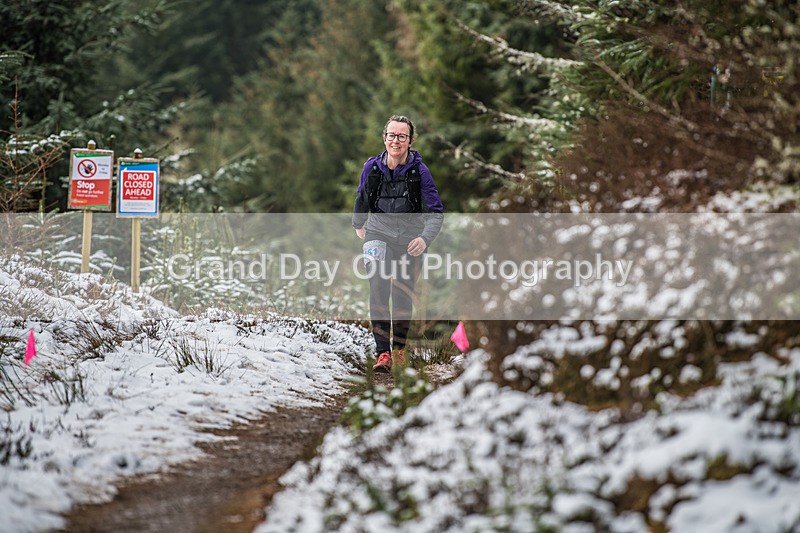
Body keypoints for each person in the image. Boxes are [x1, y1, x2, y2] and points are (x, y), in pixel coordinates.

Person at [352, 115, 444, 372]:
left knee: (402, 292)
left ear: (410, 141)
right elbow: (362, 196)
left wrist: (424, 239)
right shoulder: (371, 167)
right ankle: (382, 354)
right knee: (379, 288)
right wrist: (359, 224)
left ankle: (400, 351)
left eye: (402, 136)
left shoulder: (420, 172)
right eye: (392, 135)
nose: (396, 141)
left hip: (410, 241)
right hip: (378, 234)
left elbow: (435, 212)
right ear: (385, 139)